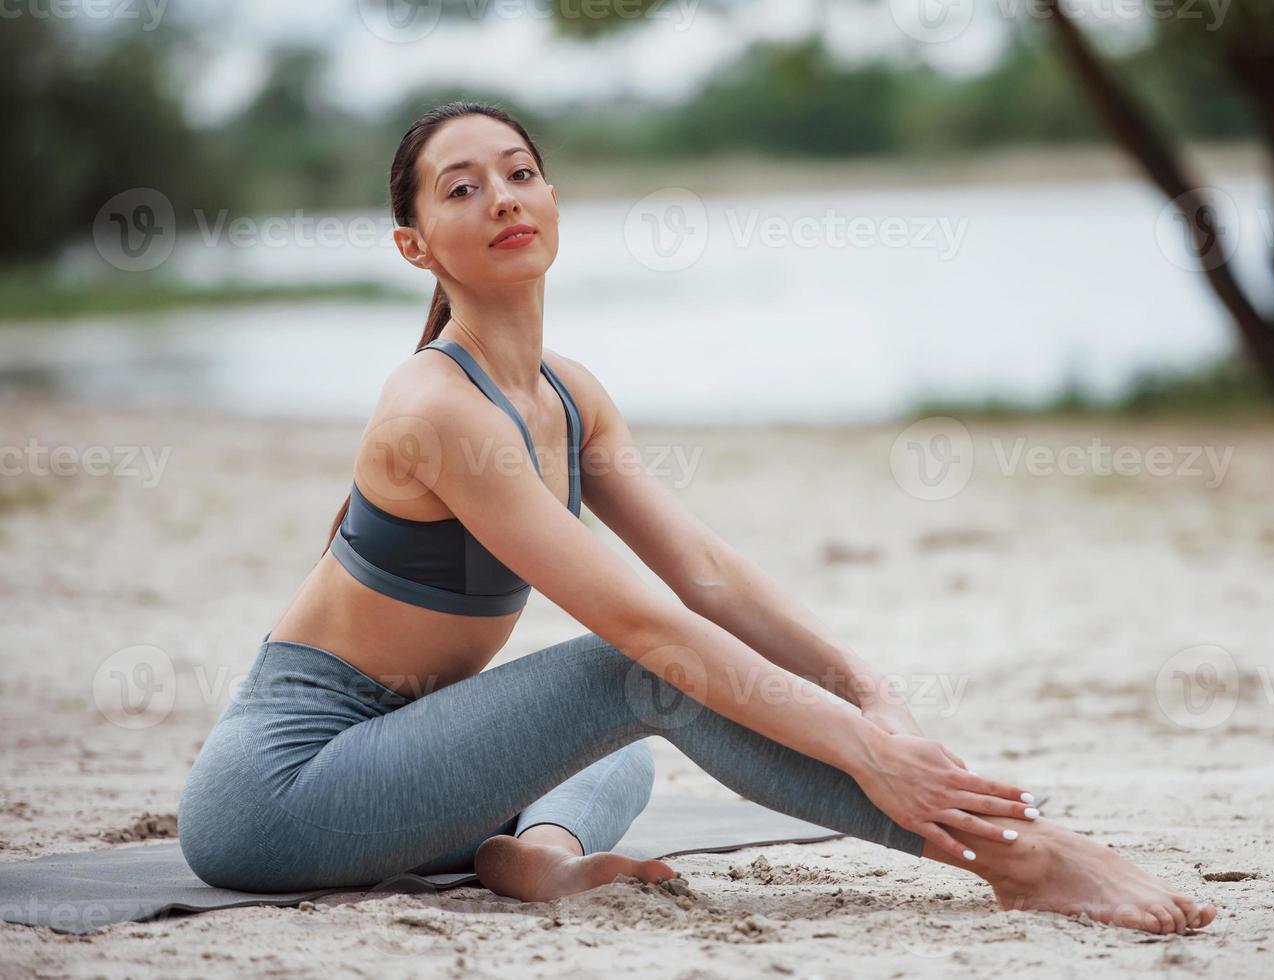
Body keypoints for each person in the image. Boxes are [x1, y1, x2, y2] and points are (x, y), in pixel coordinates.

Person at [177, 100, 1215, 934]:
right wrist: (867, 749)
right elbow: (652, 632)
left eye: (519, 171)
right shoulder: (436, 407)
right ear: (415, 245)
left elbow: (703, 572)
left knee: (618, 745)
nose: (503, 196)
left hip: (396, 756)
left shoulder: (566, 390)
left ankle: (530, 857)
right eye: (463, 186)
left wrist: (864, 687)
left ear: (550, 197)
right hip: (283, 792)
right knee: (627, 675)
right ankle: (1019, 855)